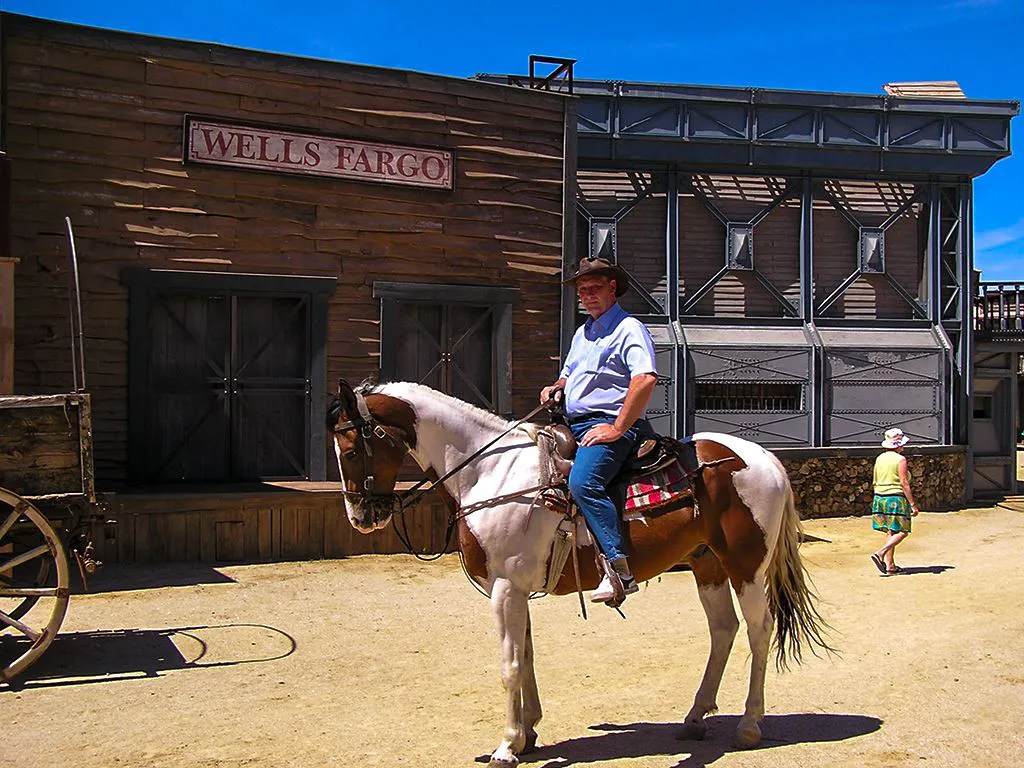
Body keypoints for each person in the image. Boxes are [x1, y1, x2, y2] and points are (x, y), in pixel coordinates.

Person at [539, 257, 658, 604]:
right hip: (571, 422)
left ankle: (619, 570)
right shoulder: (584, 332)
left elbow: (645, 378)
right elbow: (571, 371)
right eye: (582, 291)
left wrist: (618, 428)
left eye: (594, 289)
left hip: (607, 424)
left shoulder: (629, 329)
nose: (587, 296)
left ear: (612, 288)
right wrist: (558, 385)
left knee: (583, 482)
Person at [869, 427, 920, 576]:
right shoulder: (900, 459)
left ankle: (890, 565)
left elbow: (875, 479)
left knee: (892, 531)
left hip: (880, 496)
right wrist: (912, 504)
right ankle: (880, 553)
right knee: (903, 531)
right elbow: (904, 482)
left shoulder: (880, 458)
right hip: (895, 497)